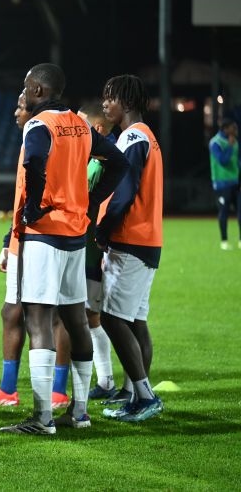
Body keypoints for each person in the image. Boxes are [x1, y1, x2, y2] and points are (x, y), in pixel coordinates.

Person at [0, 64, 128, 435]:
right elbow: (117, 163)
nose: (25, 92)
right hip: (75, 235)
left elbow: (34, 163)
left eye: (27, 86)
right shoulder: (80, 124)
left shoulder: (39, 126)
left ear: (39, 90)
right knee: (75, 318)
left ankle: (43, 418)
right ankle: (80, 412)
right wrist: (91, 201)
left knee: (38, 319)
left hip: (45, 235)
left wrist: (33, 208)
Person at [0, 94, 71, 410]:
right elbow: (24, 198)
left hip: (46, 238)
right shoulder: (32, 139)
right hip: (22, 240)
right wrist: (7, 240)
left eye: (21, 106)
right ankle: (8, 389)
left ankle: (58, 391)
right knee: (12, 311)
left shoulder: (46, 138)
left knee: (53, 315)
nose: (15, 112)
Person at [96, 74, 164, 422]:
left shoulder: (133, 137)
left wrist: (104, 229)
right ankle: (138, 395)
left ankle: (145, 396)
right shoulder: (146, 136)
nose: (105, 103)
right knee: (136, 320)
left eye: (110, 97)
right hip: (148, 240)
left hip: (131, 239)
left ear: (126, 101)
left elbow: (125, 190)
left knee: (112, 317)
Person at [75, 100, 130, 403]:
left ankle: (115, 382)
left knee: (94, 315)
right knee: (88, 315)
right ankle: (105, 380)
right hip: (86, 248)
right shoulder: (94, 158)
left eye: (81, 122)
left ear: (96, 128)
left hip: (93, 250)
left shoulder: (105, 161)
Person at [208, 118, 240, 250]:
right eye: (233, 128)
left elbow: (236, 161)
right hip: (222, 184)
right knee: (224, 212)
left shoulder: (234, 141)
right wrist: (230, 146)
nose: (236, 130)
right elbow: (223, 161)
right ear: (225, 128)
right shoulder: (215, 143)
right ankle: (224, 241)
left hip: (236, 182)